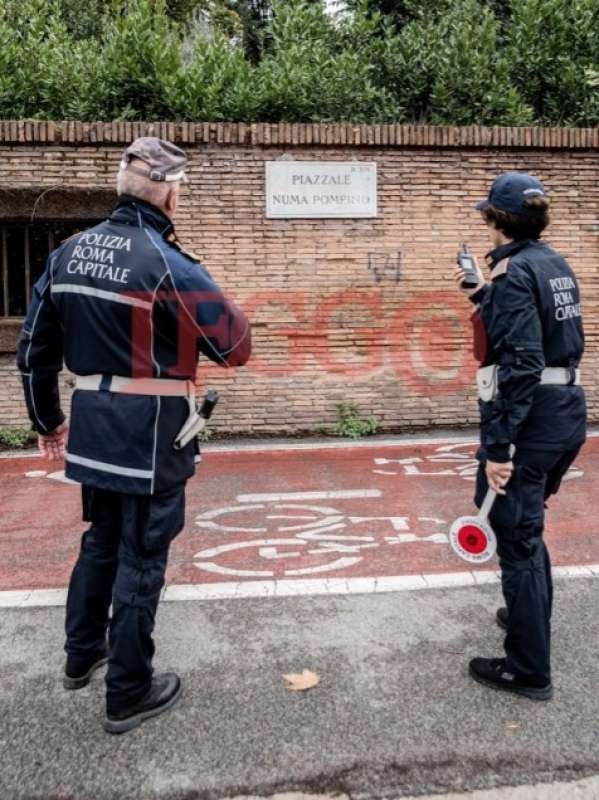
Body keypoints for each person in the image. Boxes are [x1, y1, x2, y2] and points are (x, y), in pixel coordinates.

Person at [17, 137, 252, 733]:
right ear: (170, 192)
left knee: (101, 538)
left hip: (93, 427)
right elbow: (236, 346)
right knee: (143, 557)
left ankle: (81, 654)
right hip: (152, 436)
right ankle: (128, 690)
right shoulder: (169, 262)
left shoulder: (68, 253)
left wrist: (48, 422)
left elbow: (33, 352)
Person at [453, 172, 586, 701]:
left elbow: (523, 360)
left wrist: (500, 449)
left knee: (515, 535)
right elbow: (541, 333)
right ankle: (528, 615)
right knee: (528, 525)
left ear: (496, 220)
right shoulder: (552, 263)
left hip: (530, 421)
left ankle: (528, 668)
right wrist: (482, 294)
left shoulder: (513, 271)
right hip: (565, 412)